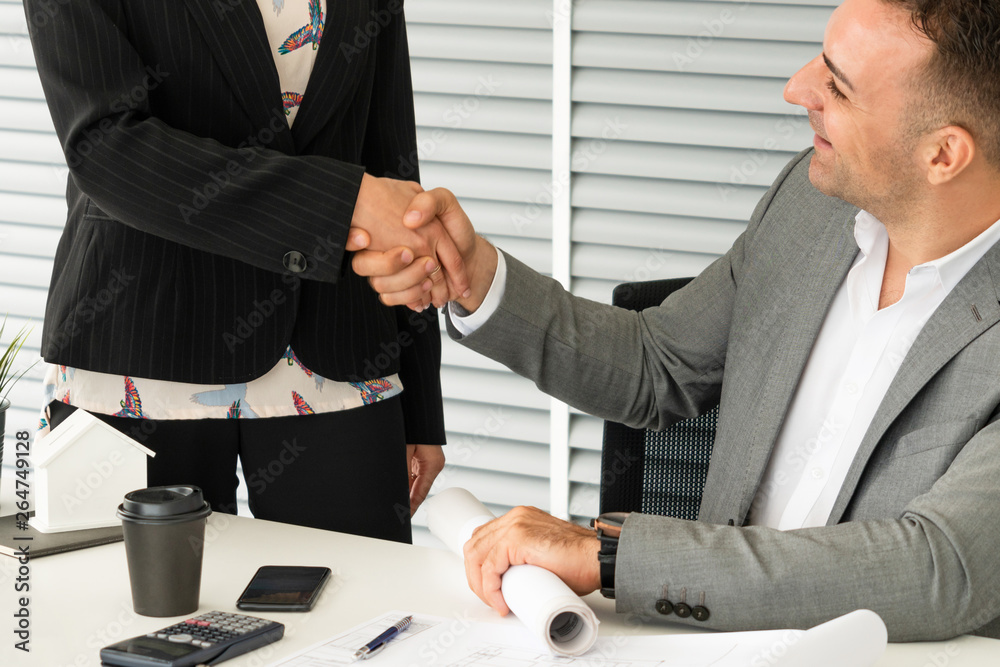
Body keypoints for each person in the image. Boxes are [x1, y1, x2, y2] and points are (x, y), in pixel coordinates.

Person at [348, 0, 1000, 639]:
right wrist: (475, 274)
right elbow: (658, 363)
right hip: (699, 642)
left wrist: (611, 556)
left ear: (943, 154)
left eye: (839, 86)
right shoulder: (813, 204)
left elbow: (938, 567)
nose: (797, 88)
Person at [23, 0, 469, 542]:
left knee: (366, 617)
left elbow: (391, 165)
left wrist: (420, 403)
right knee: (132, 616)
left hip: (340, 350)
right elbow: (106, 145)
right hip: (143, 338)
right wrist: (340, 204)